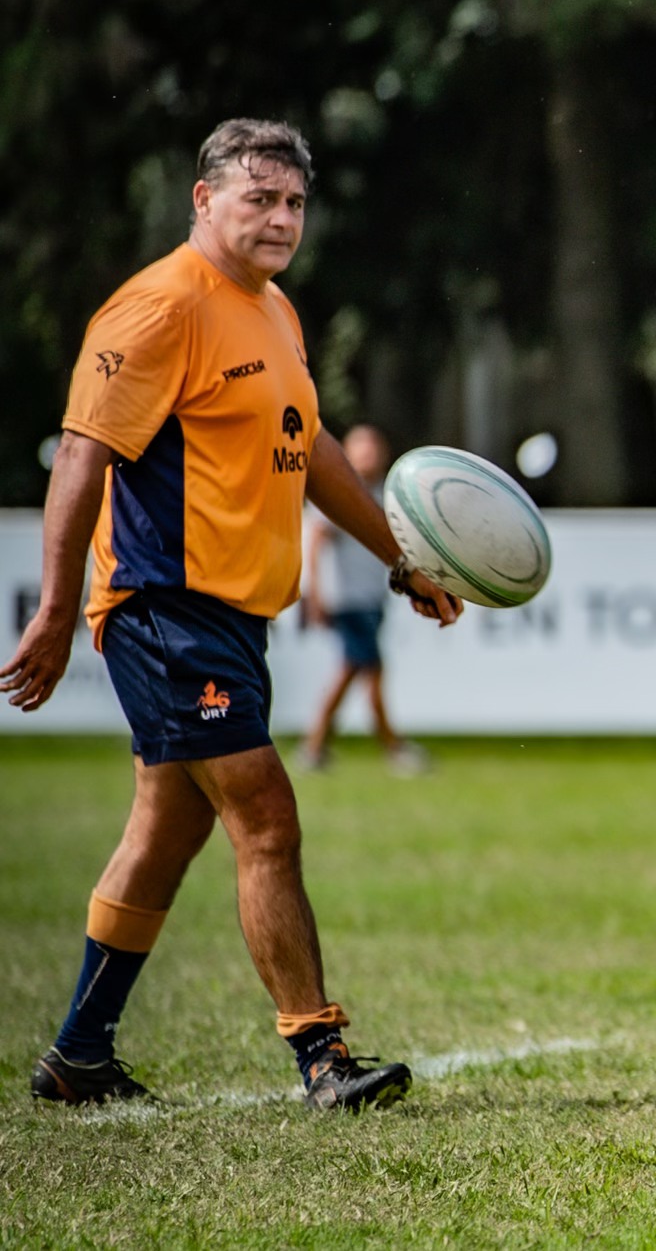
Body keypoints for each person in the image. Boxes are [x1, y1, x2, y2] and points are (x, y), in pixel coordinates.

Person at [0, 118, 462, 1110]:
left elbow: (314, 448)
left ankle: (79, 1054)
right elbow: (82, 457)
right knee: (265, 816)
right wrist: (55, 608)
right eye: (260, 197)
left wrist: (401, 557)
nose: (282, 218)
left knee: (166, 830)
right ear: (204, 201)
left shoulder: (275, 310)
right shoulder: (156, 308)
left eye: (294, 201)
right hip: (165, 609)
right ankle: (321, 1057)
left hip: (233, 615)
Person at [299, 423, 428, 776]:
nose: (369, 455)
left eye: (374, 447)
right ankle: (392, 747)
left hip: (371, 600)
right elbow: (315, 543)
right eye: (361, 448)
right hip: (348, 601)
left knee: (350, 671)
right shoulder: (342, 493)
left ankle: (315, 746)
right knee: (370, 671)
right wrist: (316, 594)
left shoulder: (384, 493)